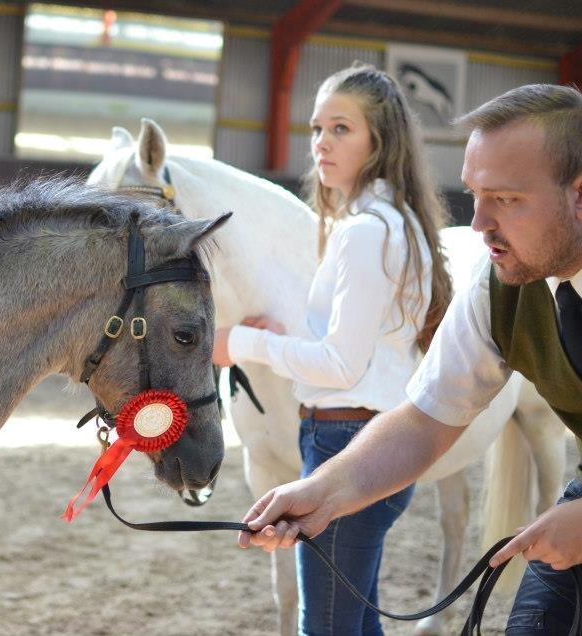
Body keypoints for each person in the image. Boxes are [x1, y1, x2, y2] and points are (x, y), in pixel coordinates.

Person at [236, 82, 582, 635]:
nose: (478, 223)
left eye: (506, 199)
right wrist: (323, 491)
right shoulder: (496, 286)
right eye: (475, 194)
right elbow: (423, 421)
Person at [213, 64, 453, 635]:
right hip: (370, 440)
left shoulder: (366, 230)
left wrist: (242, 342)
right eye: (317, 128)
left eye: (341, 129)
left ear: (379, 140)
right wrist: (280, 337)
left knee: (325, 628)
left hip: (345, 441)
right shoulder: (397, 222)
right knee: (354, 624)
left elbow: (342, 365)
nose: (321, 142)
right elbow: (358, 348)